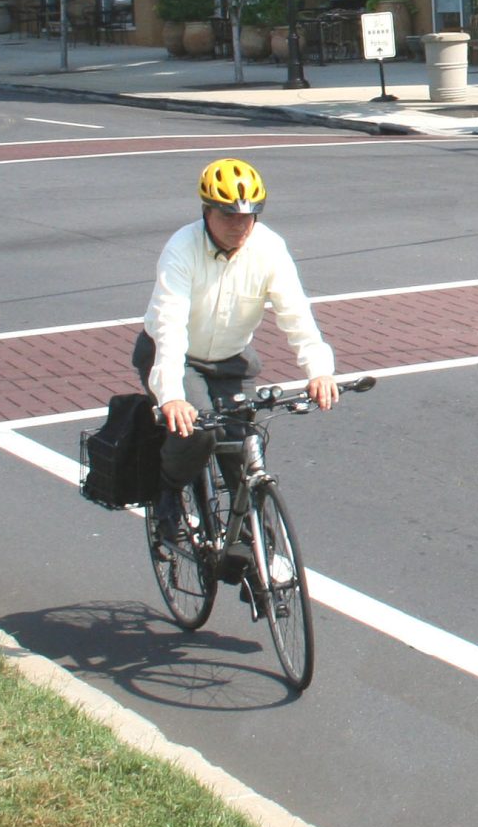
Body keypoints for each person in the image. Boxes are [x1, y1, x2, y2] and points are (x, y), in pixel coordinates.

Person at [137, 158, 338, 543]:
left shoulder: (269, 249)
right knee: (196, 433)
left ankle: (258, 560)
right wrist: (173, 397)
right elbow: (170, 326)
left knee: (244, 454)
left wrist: (319, 369)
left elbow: (295, 313)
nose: (239, 226)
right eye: (228, 216)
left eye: (248, 217)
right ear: (206, 212)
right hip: (177, 356)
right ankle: (167, 492)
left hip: (231, 359)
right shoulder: (182, 248)